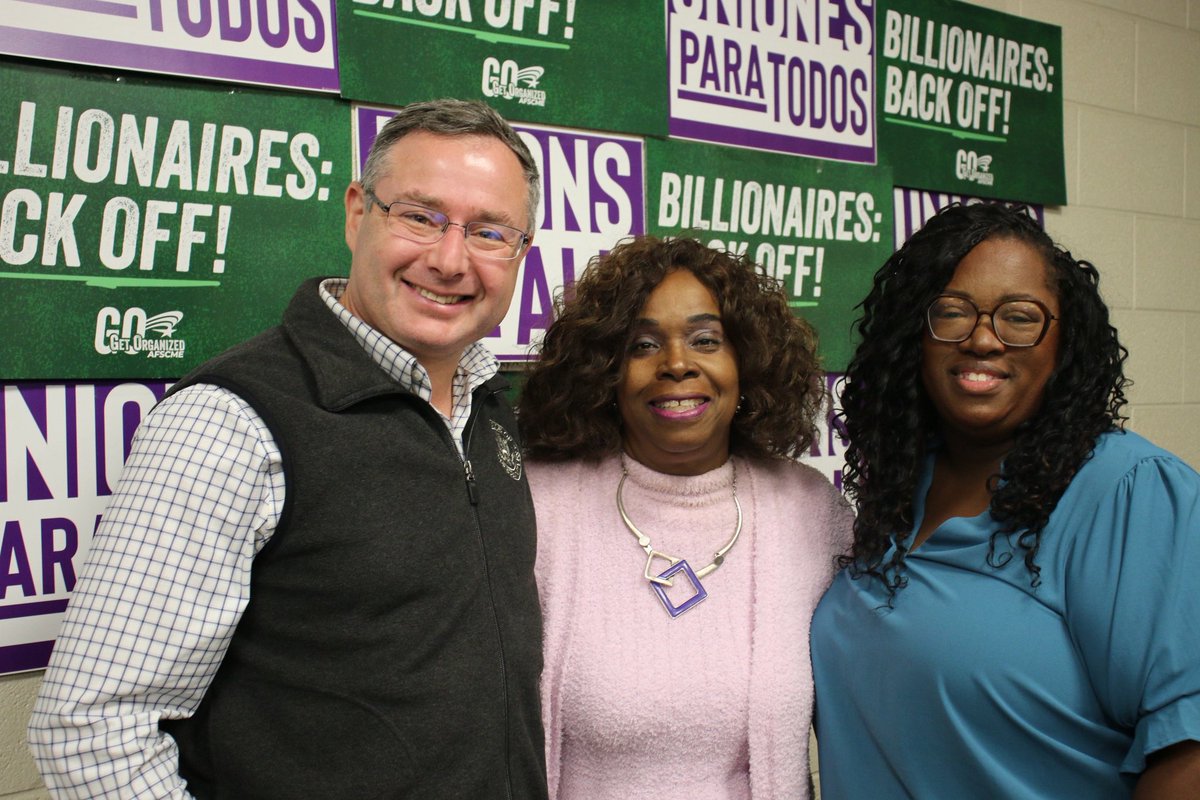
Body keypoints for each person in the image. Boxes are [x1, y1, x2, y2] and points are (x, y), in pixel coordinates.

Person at [28, 99, 549, 800]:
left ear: (520, 254)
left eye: (489, 232)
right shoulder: (231, 422)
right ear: (358, 213)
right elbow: (91, 728)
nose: (450, 259)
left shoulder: (488, 408)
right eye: (420, 216)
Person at [811, 203, 1200, 798]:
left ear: (1064, 342)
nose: (984, 340)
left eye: (1020, 317)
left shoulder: (1126, 491)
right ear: (914, 335)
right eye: (952, 313)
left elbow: (1185, 749)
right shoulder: (899, 492)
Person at [518, 235, 853, 800]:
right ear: (605, 372)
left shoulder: (808, 509)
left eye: (705, 340)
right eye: (643, 346)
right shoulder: (539, 505)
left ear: (746, 362)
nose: (677, 364)